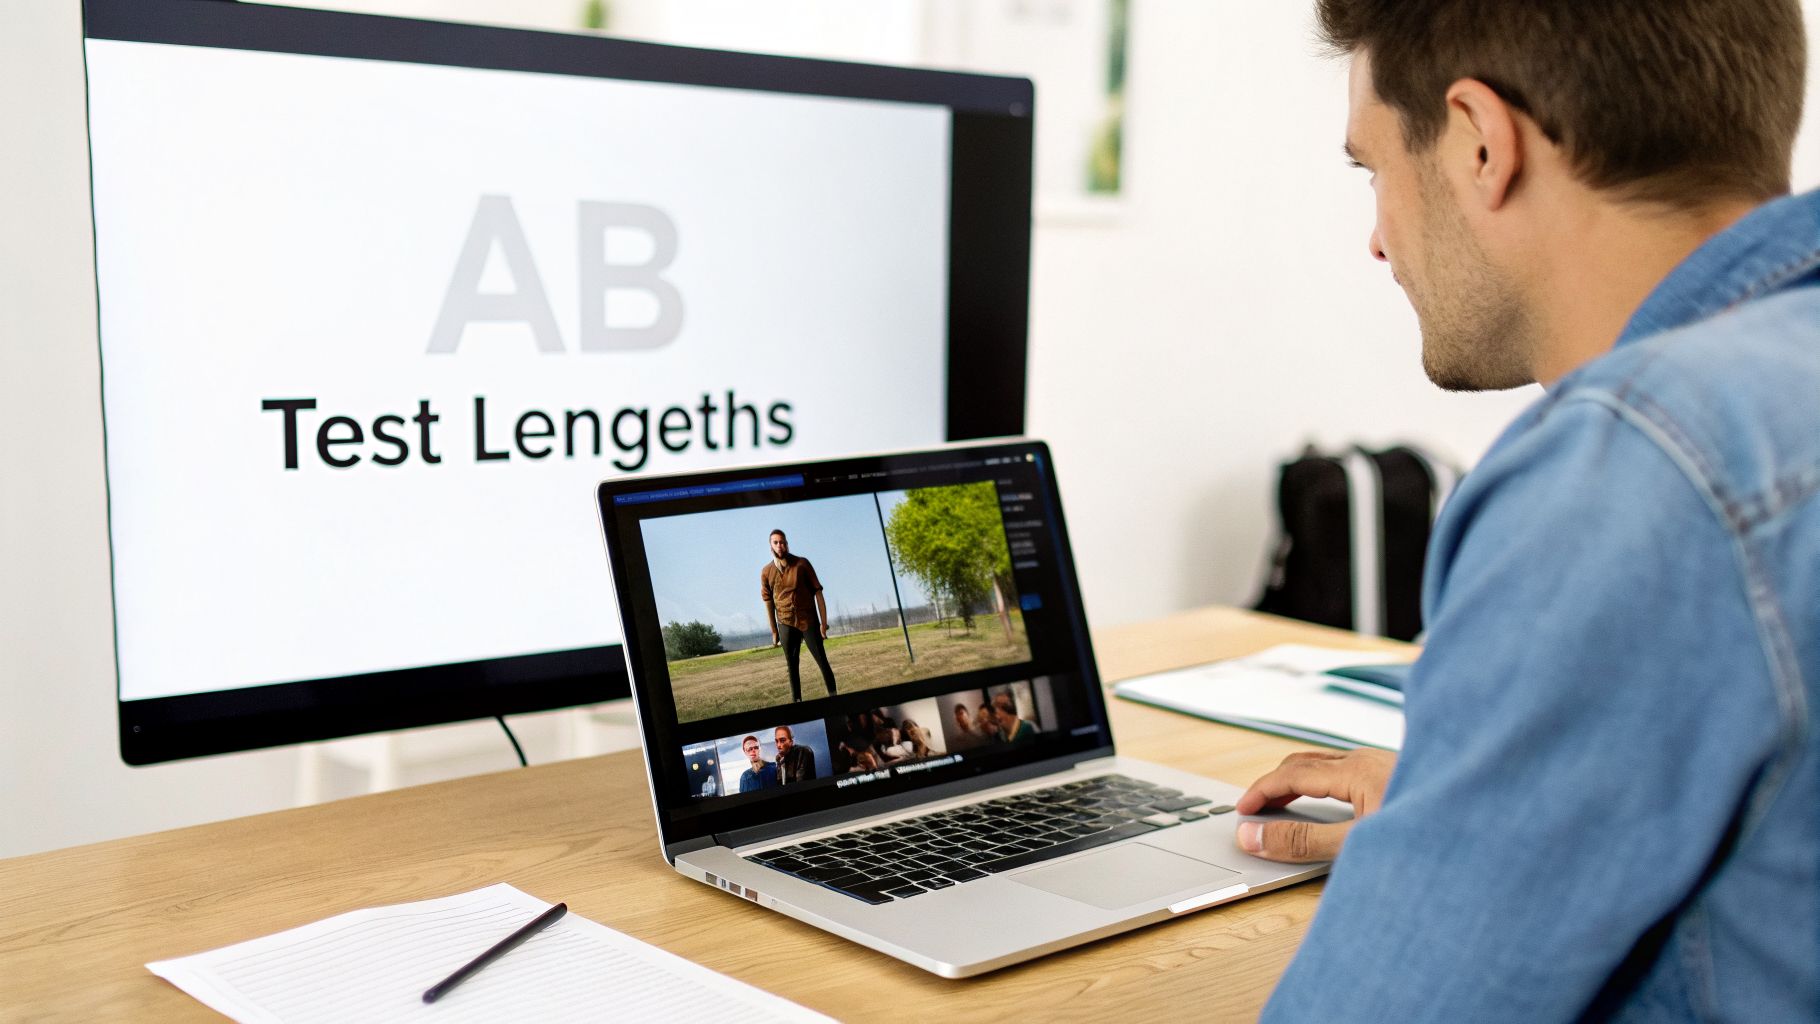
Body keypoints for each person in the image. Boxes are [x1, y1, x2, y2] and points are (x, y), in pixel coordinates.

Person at [1238, 3, 1817, 1020]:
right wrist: (1477, 804)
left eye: (1370, 169)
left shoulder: (1634, 468)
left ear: (1476, 140)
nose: (1377, 241)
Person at [759, 529, 837, 702]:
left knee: (822, 661)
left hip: (807, 620)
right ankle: (797, 703)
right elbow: (768, 603)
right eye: (776, 542)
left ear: (787, 543)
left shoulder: (802, 564)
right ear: (770, 546)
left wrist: (823, 623)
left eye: (783, 542)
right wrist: (774, 631)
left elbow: (818, 593)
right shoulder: (766, 572)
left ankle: (834, 697)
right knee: (792, 667)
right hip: (785, 622)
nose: (780, 546)